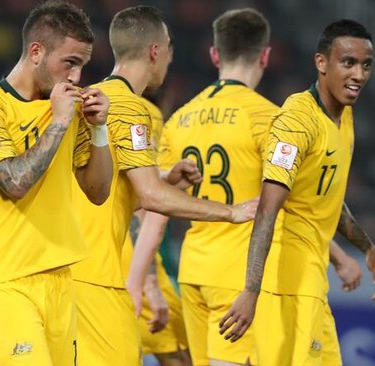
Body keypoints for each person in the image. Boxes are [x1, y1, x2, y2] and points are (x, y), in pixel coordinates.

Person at [69, 6, 258, 366]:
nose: (170, 59)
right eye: (168, 48)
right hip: (99, 280)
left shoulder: (91, 100)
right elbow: (152, 198)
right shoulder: (131, 108)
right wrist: (231, 212)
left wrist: (165, 178)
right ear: (155, 51)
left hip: (69, 274)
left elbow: (109, 190)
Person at [220, 19, 375, 365]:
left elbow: (324, 197)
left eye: (366, 64)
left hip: (310, 280)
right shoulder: (296, 121)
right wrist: (251, 292)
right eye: (348, 63)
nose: (358, 74)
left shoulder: (344, 116)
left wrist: (367, 249)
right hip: (287, 283)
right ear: (321, 63)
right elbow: (268, 210)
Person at [0, 1, 113, 365]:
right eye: (69, 63)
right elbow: (12, 183)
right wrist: (58, 122)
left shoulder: (68, 109)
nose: (75, 77)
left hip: (59, 279)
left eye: (82, 66)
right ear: (36, 52)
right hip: (6, 281)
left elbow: (99, 191)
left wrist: (99, 128)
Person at [120, 96, 191, 366]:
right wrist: (151, 286)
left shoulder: (100, 104)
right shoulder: (147, 116)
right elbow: (142, 199)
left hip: (97, 259)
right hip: (132, 260)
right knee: (180, 354)